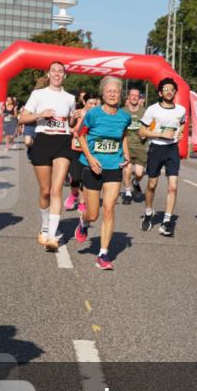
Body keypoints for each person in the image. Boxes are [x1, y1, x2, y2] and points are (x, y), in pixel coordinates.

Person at [74, 77, 132, 270]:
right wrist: (90, 159)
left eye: (116, 91)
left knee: (109, 210)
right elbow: (80, 135)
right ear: (103, 93)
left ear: (120, 94)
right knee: (93, 214)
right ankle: (83, 222)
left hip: (113, 168)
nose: (113, 94)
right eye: (109, 91)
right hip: (92, 168)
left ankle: (103, 254)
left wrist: (126, 153)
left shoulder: (125, 117)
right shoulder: (93, 114)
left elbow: (123, 134)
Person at [19, 61, 77, 252]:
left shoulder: (70, 98)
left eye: (60, 71)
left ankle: (52, 237)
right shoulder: (39, 94)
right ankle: (45, 226)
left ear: (64, 75)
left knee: (56, 190)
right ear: (48, 74)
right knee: (45, 190)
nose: (57, 74)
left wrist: (75, 118)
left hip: (62, 142)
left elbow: (70, 122)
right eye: (54, 71)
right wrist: (40, 114)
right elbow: (23, 118)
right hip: (43, 140)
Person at [139, 78, 186, 237]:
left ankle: (167, 221)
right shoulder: (152, 110)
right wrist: (161, 134)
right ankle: (148, 211)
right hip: (156, 148)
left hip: (172, 149)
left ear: (175, 92)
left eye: (172, 89)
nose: (169, 91)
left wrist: (180, 132)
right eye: (165, 89)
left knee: (173, 186)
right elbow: (142, 132)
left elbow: (183, 123)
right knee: (152, 185)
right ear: (160, 93)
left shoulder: (181, 110)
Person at [65, 92, 99, 215]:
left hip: (90, 151)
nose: (93, 105)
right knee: (75, 178)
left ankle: (82, 203)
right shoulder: (78, 112)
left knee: (84, 179)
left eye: (95, 103)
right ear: (84, 102)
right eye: (91, 103)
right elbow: (71, 125)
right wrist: (73, 118)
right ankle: (74, 194)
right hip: (76, 148)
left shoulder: (98, 114)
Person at [121, 86, 147, 204]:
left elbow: (151, 125)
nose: (134, 98)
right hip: (126, 145)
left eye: (137, 96)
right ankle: (127, 193)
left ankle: (136, 182)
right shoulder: (122, 111)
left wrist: (145, 133)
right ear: (128, 97)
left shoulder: (144, 112)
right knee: (127, 170)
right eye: (132, 95)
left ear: (139, 98)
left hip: (141, 146)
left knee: (139, 173)